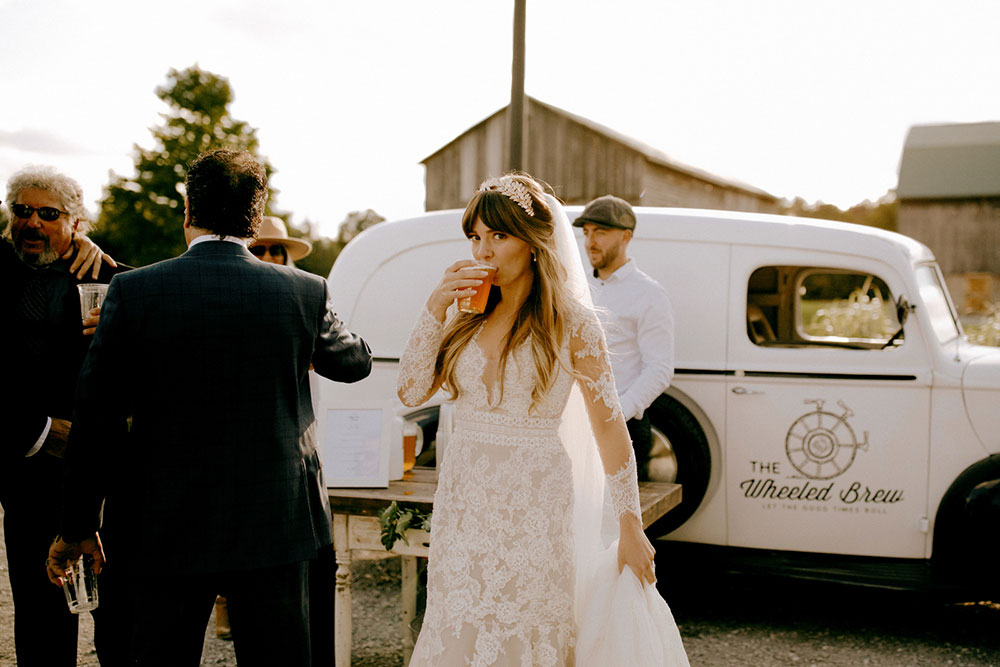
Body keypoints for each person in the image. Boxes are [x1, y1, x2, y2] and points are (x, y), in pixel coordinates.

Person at [45, 149, 372, 667]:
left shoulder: (132, 291)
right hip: (277, 522)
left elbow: (96, 418)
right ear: (256, 218)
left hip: (160, 523)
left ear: (188, 208)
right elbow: (354, 363)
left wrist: (79, 525)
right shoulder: (305, 291)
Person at [397, 173, 688, 665]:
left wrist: (631, 526)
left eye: (498, 235)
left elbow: (610, 426)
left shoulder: (574, 324)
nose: (482, 251)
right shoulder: (464, 315)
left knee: (524, 628)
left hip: (534, 504)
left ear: (533, 243)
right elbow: (409, 390)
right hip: (464, 502)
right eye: (475, 237)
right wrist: (434, 305)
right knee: (457, 624)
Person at [0, 165, 123, 667]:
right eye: (21, 210)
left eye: (48, 214)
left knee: (119, 620)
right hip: (27, 473)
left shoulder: (106, 276)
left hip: (103, 480)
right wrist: (41, 433)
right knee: (40, 623)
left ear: (76, 223)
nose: (31, 222)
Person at [574, 195, 675, 480]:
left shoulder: (650, 294)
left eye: (601, 232)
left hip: (624, 427)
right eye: (587, 232)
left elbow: (660, 368)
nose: (590, 242)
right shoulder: (578, 287)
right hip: (577, 423)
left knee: (618, 521)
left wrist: (619, 412)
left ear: (626, 236)